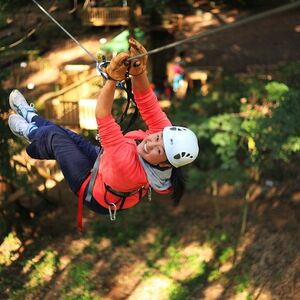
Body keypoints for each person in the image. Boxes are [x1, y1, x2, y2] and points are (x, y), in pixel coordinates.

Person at [8, 39, 199, 231]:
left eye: (158, 150)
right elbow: (147, 100)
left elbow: (102, 115)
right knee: (64, 134)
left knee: (56, 138)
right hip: (103, 164)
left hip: (94, 191)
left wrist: (112, 79)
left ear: (164, 164)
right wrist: (139, 70)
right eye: (157, 138)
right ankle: (30, 116)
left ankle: (28, 132)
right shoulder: (164, 136)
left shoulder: (126, 164)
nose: (151, 143)